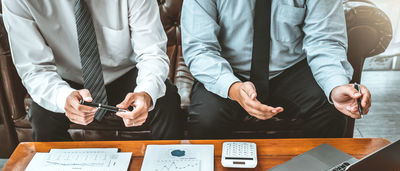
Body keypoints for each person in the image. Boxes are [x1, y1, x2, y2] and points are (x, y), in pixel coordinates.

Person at [181, 0, 372, 139]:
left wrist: (336, 85)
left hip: (290, 69)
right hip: (228, 71)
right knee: (206, 119)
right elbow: (200, 49)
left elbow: (324, 41)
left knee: (329, 106)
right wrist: (233, 88)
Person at [3, 0, 183, 141]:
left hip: (125, 72)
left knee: (165, 99)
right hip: (65, 80)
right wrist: (62, 97)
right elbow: (34, 69)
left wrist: (146, 92)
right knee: (41, 115)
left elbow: (152, 52)